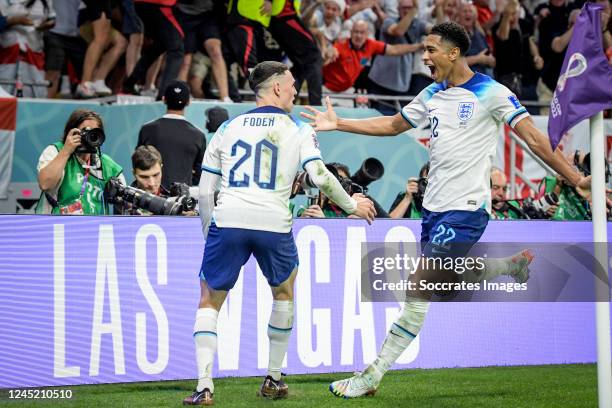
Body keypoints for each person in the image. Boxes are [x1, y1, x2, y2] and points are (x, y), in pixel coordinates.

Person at [301, 21, 592, 398]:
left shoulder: (492, 92)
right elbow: (392, 124)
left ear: (453, 53)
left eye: (430, 50)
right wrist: (339, 123)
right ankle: (508, 267)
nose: (424, 57)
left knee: (419, 285)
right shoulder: (432, 93)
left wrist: (573, 177)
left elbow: (535, 139)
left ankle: (371, 376)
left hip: (467, 208)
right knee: (447, 286)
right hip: (434, 208)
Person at [182, 61, 376, 405]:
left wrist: (209, 232)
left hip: (229, 221)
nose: (295, 91)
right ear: (275, 89)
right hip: (273, 222)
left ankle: (204, 385)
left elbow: (206, 188)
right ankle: (272, 378)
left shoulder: (227, 127)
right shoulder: (298, 129)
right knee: (284, 294)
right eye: (291, 86)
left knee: (209, 300)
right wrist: (352, 206)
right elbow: (319, 175)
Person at [35, 109, 125, 215]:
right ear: (71, 132)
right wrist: (66, 150)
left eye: (94, 132)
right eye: (85, 131)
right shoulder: (55, 151)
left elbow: (123, 203)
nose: (89, 136)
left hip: (94, 229)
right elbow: (45, 184)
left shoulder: (108, 166)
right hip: (57, 227)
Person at [136, 80, 205, 189]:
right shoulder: (198, 135)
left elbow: (138, 162)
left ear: (164, 99)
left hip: (152, 197)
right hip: (181, 200)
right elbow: (200, 172)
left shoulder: (147, 129)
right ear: (188, 102)